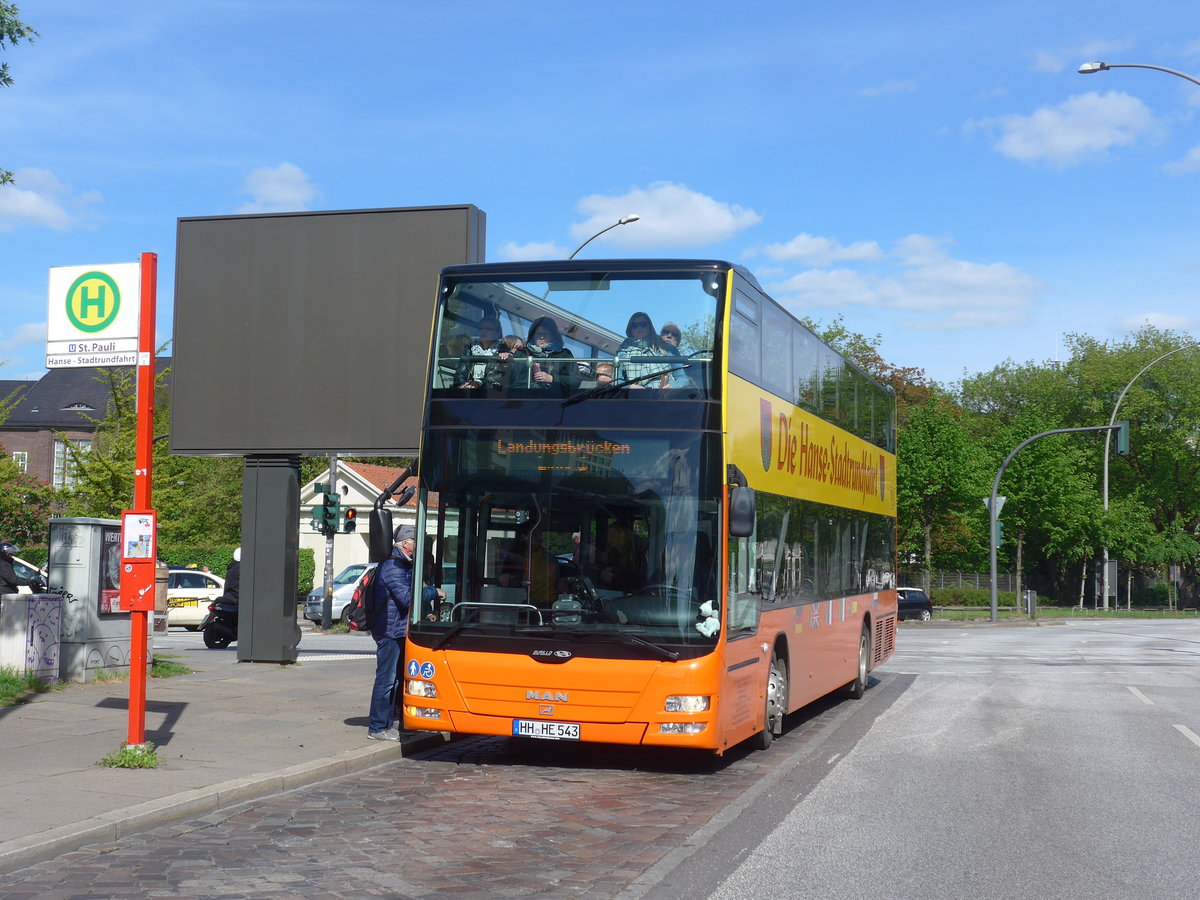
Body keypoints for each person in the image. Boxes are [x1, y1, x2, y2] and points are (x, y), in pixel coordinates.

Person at [367, 525, 443, 739]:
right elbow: (408, 598)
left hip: (398, 629)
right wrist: (432, 592)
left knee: (396, 679)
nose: (418, 545)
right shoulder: (393, 566)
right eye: (415, 540)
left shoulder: (402, 564)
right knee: (386, 680)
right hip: (389, 631)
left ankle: (389, 723)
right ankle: (378, 727)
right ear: (406, 543)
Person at [603, 312, 684, 389]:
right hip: (636, 398)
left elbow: (683, 378)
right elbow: (616, 379)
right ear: (630, 329)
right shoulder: (623, 351)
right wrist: (629, 387)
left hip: (665, 397)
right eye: (635, 325)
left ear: (650, 327)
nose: (639, 328)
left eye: (643, 324)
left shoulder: (668, 349)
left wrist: (671, 387)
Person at [453, 316, 518, 390]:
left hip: (490, 393)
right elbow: (461, 371)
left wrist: (479, 383)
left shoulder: (503, 350)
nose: (484, 331)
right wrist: (461, 384)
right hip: (468, 390)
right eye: (481, 328)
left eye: (488, 329)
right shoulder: (470, 348)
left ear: (497, 333)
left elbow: (500, 376)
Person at [519, 316, 581, 393]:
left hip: (553, 399)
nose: (542, 337)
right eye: (539, 334)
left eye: (545, 334)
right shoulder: (523, 353)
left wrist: (552, 378)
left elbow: (575, 380)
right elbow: (513, 378)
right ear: (533, 336)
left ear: (553, 336)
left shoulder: (564, 354)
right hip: (524, 398)